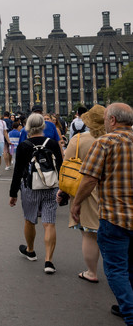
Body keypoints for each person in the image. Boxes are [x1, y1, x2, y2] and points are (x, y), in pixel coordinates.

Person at [71, 103, 133, 321]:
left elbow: (89, 179)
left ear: (113, 120)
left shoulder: (105, 142)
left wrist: (76, 203)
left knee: (116, 269)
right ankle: (128, 303)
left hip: (115, 216)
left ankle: (130, 312)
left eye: (107, 119)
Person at [9, 113, 64, 274]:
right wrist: (63, 189)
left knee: (29, 220)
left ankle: (31, 250)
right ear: (43, 126)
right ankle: (49, 261)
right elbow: (60, 166)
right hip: (51, 186)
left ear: (27, 127)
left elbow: (18, 171)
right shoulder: (52, 143)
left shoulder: (24, 145)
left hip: (30, 187)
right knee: (49, 223)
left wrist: (13, 193)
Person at [59, 104, 106, 284]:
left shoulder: (78, 140)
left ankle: (91, 272)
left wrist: (62, 190)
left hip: (86, 190)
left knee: (89, 233)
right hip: (113, 189)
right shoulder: (115, 139)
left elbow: (66, 165)